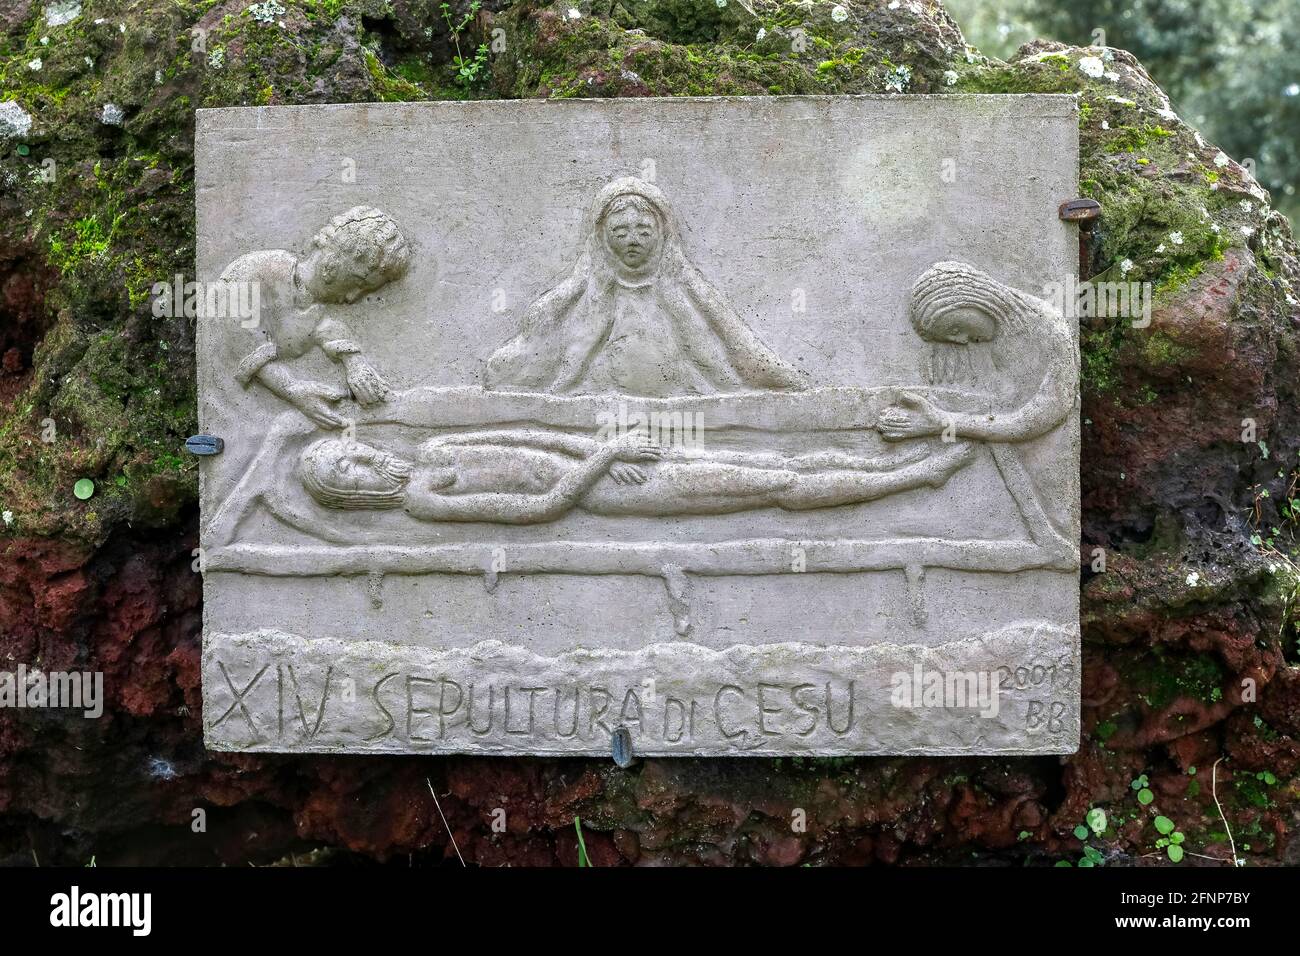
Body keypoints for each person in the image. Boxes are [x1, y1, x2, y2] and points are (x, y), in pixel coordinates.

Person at [484, 177, 807, 397]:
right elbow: (535, 343)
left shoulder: (683, 287)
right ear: (602, 235)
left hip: (683, 404)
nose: (632, 239)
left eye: (643, 230)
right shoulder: (589, 287)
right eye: (621, 230)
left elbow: (729, 340)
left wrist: (763, 383)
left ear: (662, 232)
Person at [297, 428, 975, 525]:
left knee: (783, 464)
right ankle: (915, 477)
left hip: (619, 462)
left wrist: (607, 443)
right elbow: (540, 509)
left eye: (350, 449)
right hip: (619, 495)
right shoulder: (421, 498)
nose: (364, 459)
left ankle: (907, 467)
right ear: (350, 492)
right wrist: (605, 460)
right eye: (348, 469)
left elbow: (533, 439)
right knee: (781, 489)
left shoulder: (434, 448)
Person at [218, 205, 410, 428]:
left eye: (365, 292)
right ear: (333, 264)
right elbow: (244, 349)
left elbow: (326, 329)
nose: (352, 297)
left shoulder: (312, 305)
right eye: (358, 284)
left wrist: (355, 363)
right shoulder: (257, 272)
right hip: (231, 411)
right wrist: (294, 391)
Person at [876, 261, 1077, 444]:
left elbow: (1043, 416)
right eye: (951, 338)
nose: (962, 340)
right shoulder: (995, 337)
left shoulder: (1049, 327)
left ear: (968, 297)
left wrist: (941, 423)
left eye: (954, 329)